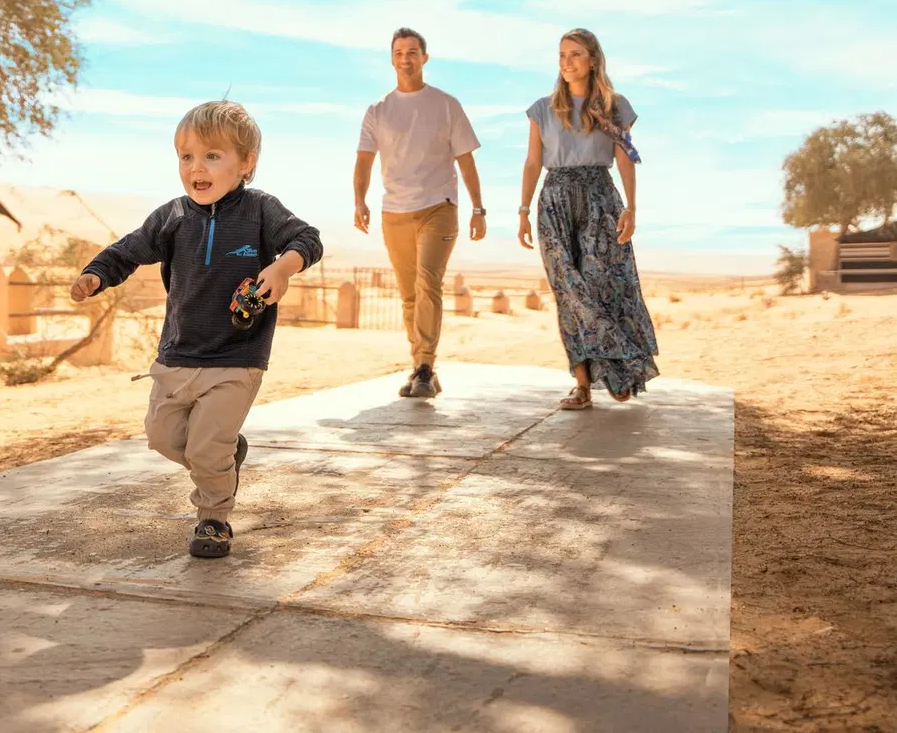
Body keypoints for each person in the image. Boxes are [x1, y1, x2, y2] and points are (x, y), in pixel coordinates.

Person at [71, 100, 322, 559]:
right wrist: (96, 275)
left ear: (245, 163)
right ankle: (226, 456)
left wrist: (282, 267)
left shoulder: (260, 210)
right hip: (177, 355)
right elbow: (127, 250)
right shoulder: (172, 217)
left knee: (207, 449)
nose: (196, 167)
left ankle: (213, 518)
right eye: (186, 156)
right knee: (162, 436)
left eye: (212, 156)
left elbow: (307, 239)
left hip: (237, 358)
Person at [518, 28, 658, 409]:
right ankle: (582, 385)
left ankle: (617, 366)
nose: (567, 62)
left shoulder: (613, 106)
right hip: (554, 202)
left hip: (600, 198)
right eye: (562, 55)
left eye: (575, 54)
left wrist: (631, 207)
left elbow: (625, 156)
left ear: (593, 60)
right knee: (568, 291)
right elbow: (532, 162)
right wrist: (523, 210)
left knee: (603, 284)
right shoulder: (543, 109)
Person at [353, 28, 486, 399]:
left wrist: (478, 208)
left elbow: (466, 160)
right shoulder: (378, 110)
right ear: (391, 59)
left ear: (424, 58)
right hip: (394, 211)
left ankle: (425, 365)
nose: (406, 59)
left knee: (428, 282)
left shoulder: (446, 104)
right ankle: (420, 367)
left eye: (412, 52)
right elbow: (364, 161)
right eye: (399, 53)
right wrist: (359, 200)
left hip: (438, 206)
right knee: (409, 293)